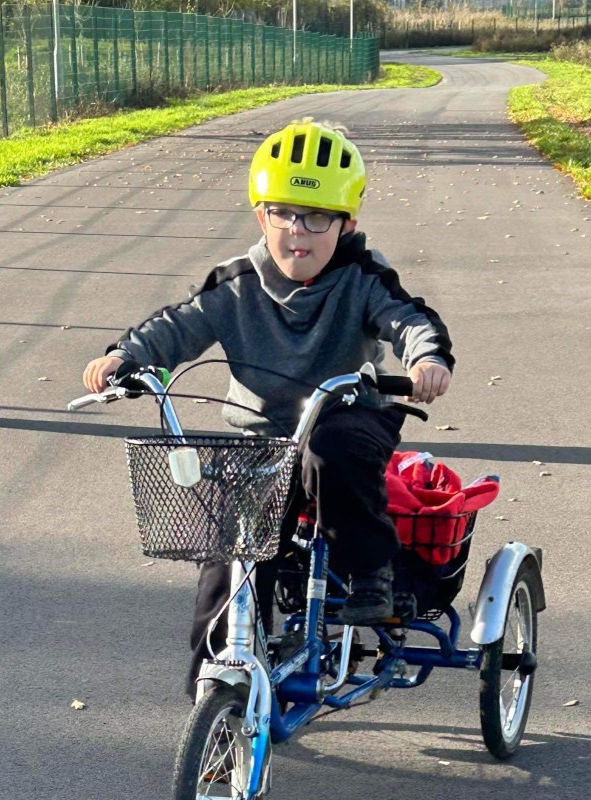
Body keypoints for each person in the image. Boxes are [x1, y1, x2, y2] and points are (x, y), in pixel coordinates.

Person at [82, 118, 453, 697]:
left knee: (334, 453)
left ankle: (370, 571)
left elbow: (409, 320)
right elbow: (176, 327)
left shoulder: (362, 277)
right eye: (282, 213)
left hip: (347, 412)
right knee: (229, 550)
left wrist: (427, 360)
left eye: (317, 217)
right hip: (263, 435)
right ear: (261, 216)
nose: (297, 232)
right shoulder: (235, 284)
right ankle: (215, 690)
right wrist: (124, 358)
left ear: (347, 222)